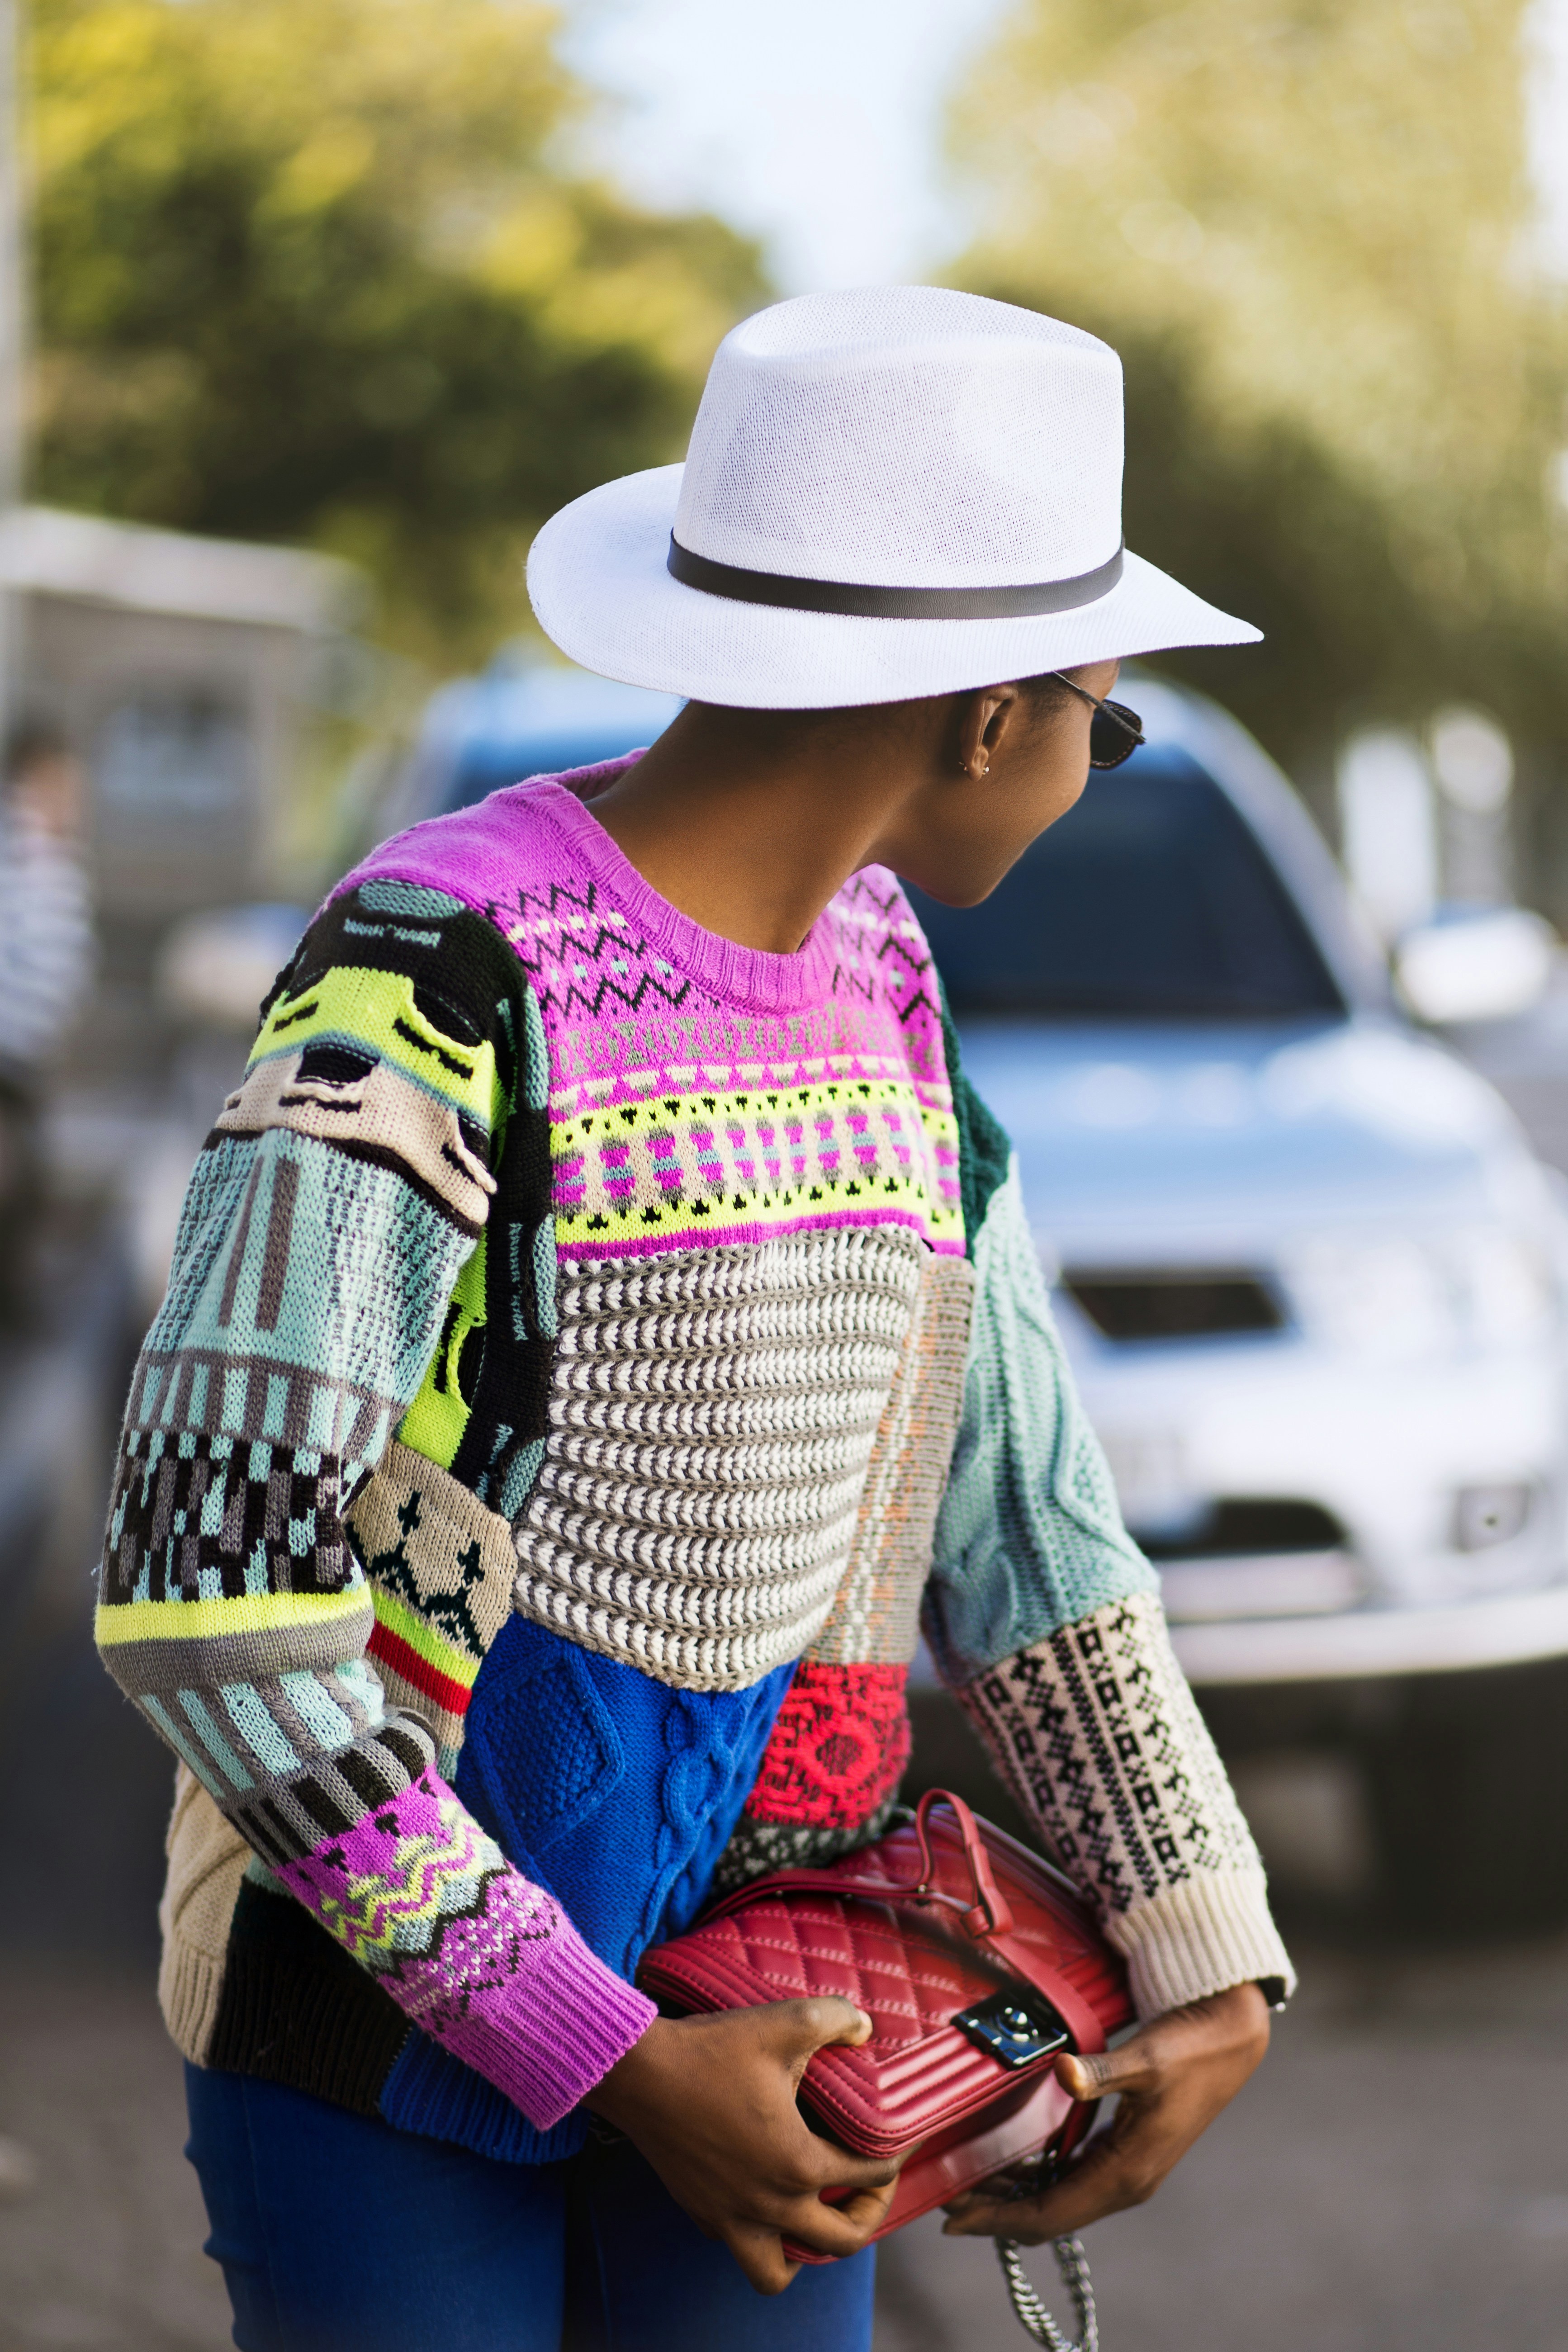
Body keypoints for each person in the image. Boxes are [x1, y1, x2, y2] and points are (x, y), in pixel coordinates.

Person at [96, 287, 1294, 2352]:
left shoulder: (886, 986)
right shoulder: (429, 966)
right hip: (375, 2038)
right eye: (1104, 717)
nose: (1092, 764)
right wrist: (597, 2048)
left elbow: (1015, 1502)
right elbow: (210, 1596)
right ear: (985, 714)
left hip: (774, 2012)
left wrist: (1201, 1936)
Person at [0, 720, 93, 1321]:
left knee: (29, 1180)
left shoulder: (47, 852)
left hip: (25, 1054)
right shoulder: (22, 846)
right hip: (9, 1052)